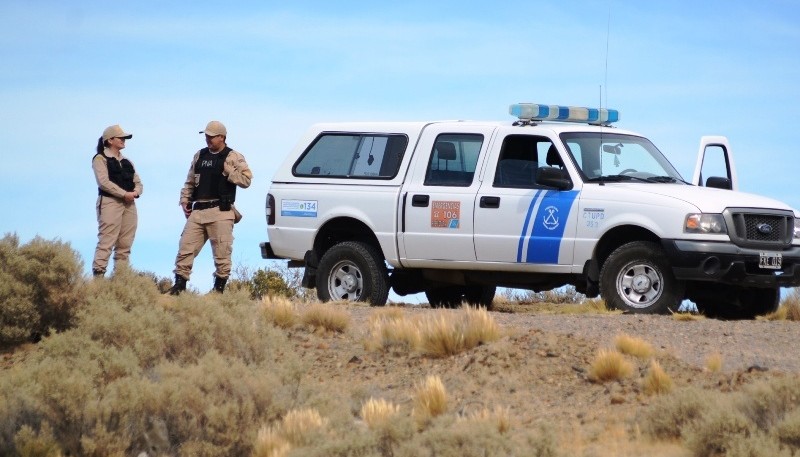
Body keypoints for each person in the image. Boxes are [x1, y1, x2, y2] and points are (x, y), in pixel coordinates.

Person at [168, 120, 253, 295]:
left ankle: (218, 291)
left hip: (221, 211)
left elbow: (246, 180)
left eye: (212, 136)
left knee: (222, 255)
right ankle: (179, 288)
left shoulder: (233, 156)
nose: (208, 139)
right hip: (198, 211)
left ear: (222, 137)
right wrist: (185, 200)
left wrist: (230, 172)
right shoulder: (199, 155)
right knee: (185, 248)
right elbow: (190, 181)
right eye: (206, 135)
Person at [92, 124, 143, 277]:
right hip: (109, 203)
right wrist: (123, 194)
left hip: (129, 205)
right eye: (120, 138)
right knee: (106, 241)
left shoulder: (127, 161)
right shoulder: (100, 158)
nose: (123, 140)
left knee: (125, 243)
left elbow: (138, 182)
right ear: (110, 140)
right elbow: (104, 182)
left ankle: (121, 277)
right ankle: (99, 276)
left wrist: (135, 192)